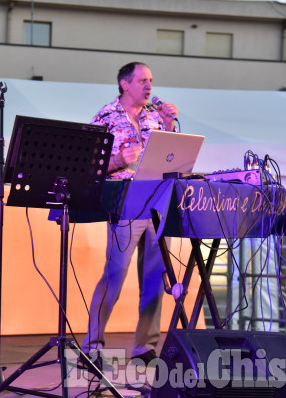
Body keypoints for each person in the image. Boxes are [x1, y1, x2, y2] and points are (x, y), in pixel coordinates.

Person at [82, 61, 179, 366]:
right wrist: (117, 160)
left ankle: (145, 347)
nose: (149, 86)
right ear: (125, 84)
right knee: (115, 275)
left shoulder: (154, 116)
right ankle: (92, 347)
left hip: (157, 203)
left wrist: (169, 126)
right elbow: (88, 163)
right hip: (125, 203)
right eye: (142, 81)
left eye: (151, 80)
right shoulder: (106, 116)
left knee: (155, 277)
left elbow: (172, 156)